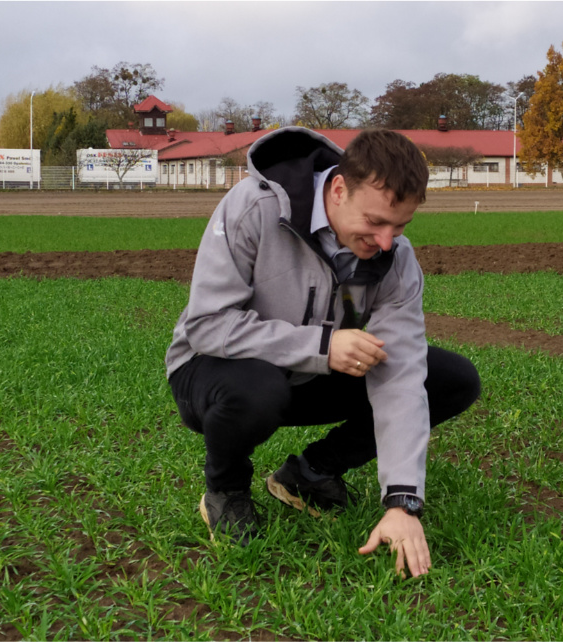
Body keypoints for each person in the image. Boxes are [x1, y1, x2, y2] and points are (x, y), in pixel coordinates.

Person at [165, 126, 480, 578]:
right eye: (375, 222)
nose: (387, 241)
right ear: (337, 189)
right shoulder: (255, 208)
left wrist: (402, 502)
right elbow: (207, 325)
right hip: (214, 371)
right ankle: (226, 490)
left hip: (308, 375)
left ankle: (309, 474)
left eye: (401, 225)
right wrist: (322, 347)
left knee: (449, 379)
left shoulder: (394, 258)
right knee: (258, 390)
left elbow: (403, 372)